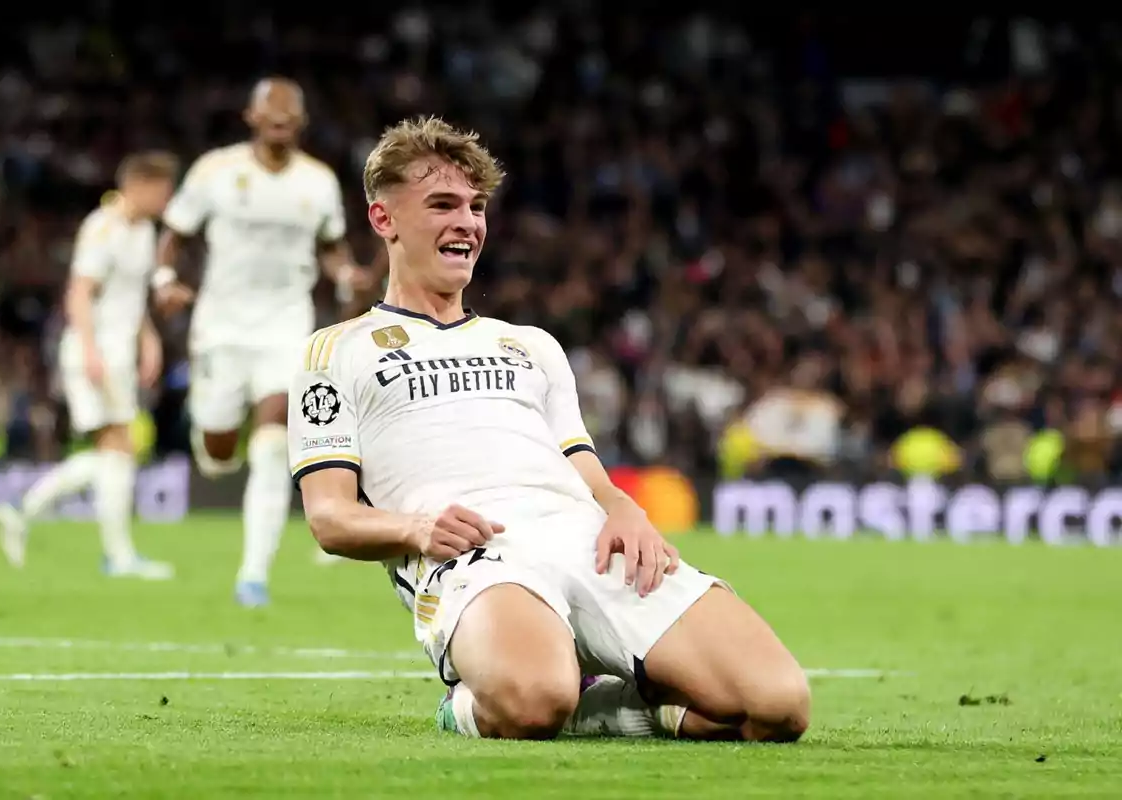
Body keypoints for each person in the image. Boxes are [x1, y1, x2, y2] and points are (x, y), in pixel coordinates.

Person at [289, 117, 811, 742]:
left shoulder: (530, 345)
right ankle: (487, 703)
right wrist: (416, 529)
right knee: (535, 704)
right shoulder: (336, 352)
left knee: (777, 706)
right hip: (477, 556)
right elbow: (330, 519)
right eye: (443, 205)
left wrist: (623, 508)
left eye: (476, 207)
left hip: (587, 541)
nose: (467, 223)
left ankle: (615, 705)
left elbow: (583, 467)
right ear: (384, 220)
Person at [153, 77, 373, 605]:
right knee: (220, 446)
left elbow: (332, 247)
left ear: (300, 121)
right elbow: (174, 234)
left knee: (274, 444)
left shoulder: (316, 182)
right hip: (221, 327)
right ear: (250, 117)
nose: (280, 115)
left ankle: (253, 573)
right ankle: (211, 440)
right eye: (270, 108)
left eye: (290, 109)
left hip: (285, 325)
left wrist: (347, 276)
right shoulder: (216, 171)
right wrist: (164, 281)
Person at [0, 152, 190, 578]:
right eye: (161, 191)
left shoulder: (143, 231)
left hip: (119, 348)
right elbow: (80, 292)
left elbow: (129, 296)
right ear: (138, 186)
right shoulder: (103, 228)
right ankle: (117, 556)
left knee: (113, 451)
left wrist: (150, 340)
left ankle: (24, 510)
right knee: (118, 445)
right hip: (96, 347)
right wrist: (89, 350)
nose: (166, 200)